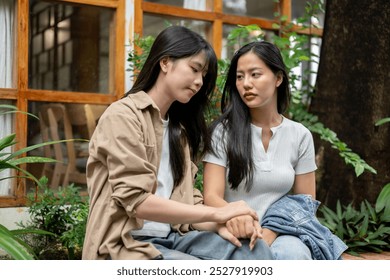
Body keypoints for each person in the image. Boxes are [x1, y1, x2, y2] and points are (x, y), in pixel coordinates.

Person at [82, 26, 273, 260]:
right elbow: (136, 201)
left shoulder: (178, 131)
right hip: (127, 243)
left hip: (173, 237)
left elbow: (188, 202)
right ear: (165, 62)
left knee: (254, 251)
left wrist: (221, 224)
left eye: (203, 75)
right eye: (194, 69)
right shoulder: (122, 116)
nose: (199, 82)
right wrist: (218, 213)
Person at [202, 41, 319, 260]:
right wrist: (240, 217)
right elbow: (211, 196)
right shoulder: (222, 132)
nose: (246, 84)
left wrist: (270, 232)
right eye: (239, 77)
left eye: (255, 74)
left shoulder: (300, 135)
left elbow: (306, 203)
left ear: (278, 78)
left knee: (293, 255)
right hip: (234, 227)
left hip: (284, 231)